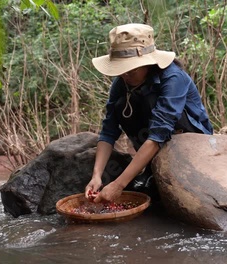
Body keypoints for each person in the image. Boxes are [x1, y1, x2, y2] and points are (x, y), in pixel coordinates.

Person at [85, 23, 213, 203]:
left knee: (152, 105)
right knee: (122, 103)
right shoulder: (121, 83)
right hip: (149, 140)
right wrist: (96, 176)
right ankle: (150, 169)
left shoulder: (173, 77)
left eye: (132, 70)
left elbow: (158, 133)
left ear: (148, 64)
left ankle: (156, 169)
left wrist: (119, 184)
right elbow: (108, 131)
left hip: (187, 138)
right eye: (122, 71)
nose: (125, 76)